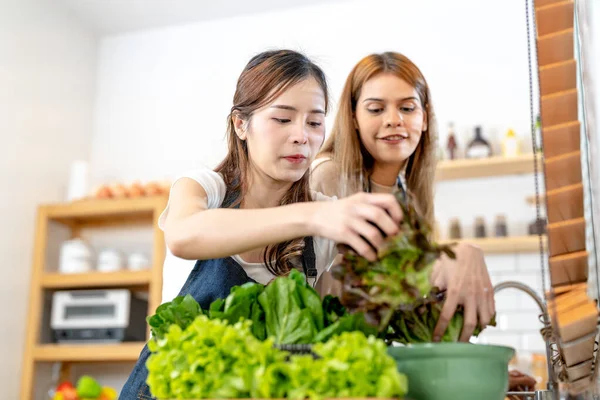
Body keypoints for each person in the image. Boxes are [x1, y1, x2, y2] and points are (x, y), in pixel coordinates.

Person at [119, 49, 404, 399]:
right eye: (283, 119)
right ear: (241, 124)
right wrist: (310, 215)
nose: (302, 136)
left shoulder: (326, 219)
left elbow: (393, 284)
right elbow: (183, 234)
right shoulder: (204, 188)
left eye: (314, 122)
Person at [310, 51, 496, 343]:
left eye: (407, 108)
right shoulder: (328, 175)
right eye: (375, 109)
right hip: (329, 362)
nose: (394, 120)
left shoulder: (411, 197)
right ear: (353, 117)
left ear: (424, 118)